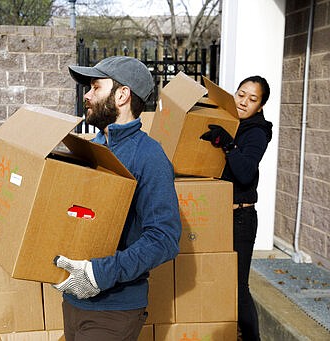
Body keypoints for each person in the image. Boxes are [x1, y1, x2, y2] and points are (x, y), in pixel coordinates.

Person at [52, 56, 182, 341]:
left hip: (114, 311)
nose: (86, 95)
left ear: (122, 95)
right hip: (74, 301)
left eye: (96, 87)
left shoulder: (149, 156)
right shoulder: (94, 147)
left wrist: (99, 273)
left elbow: (164, 238)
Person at [200, 75, 272, 341]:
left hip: (240, 217)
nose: (244, 102)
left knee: (238, 288)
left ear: (260, 106)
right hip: (217, 216)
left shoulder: (257, 132)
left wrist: (228, 144)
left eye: (252, 99)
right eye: (241, 94)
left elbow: (244, 173)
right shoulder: (229, 120)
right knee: (215, 281)